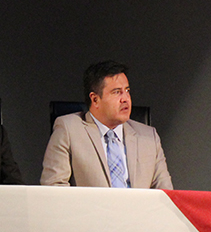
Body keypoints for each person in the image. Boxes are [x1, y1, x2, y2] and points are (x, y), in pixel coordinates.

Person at [41, 61, 172, 189]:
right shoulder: (69, 129)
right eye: (116, 92)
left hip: (138, 210)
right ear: (95, 99)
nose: (125, 98)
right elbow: (54, 188)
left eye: (127, 90)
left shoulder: (149, 137)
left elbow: (166, 194)